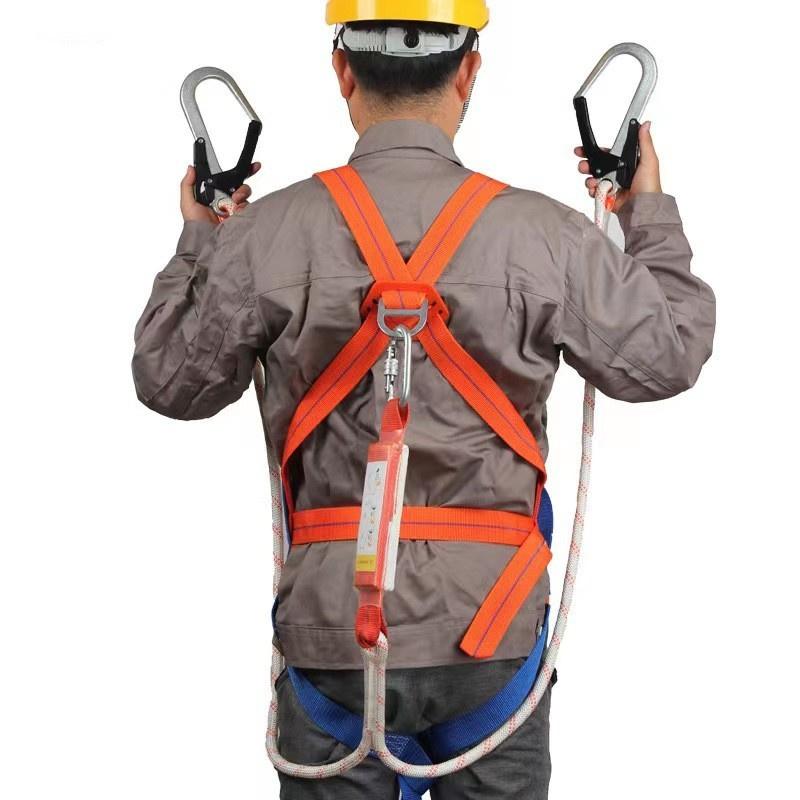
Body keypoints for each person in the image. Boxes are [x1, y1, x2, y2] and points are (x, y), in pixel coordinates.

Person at [132, 4, 715, 798]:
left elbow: (169, 380)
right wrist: (643, 209)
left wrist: (203, 238)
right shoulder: (545, 235)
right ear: (469, 70)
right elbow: (668, 357)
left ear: (342, 70)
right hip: (491, 633)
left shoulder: (265, 234)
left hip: (332, 634)